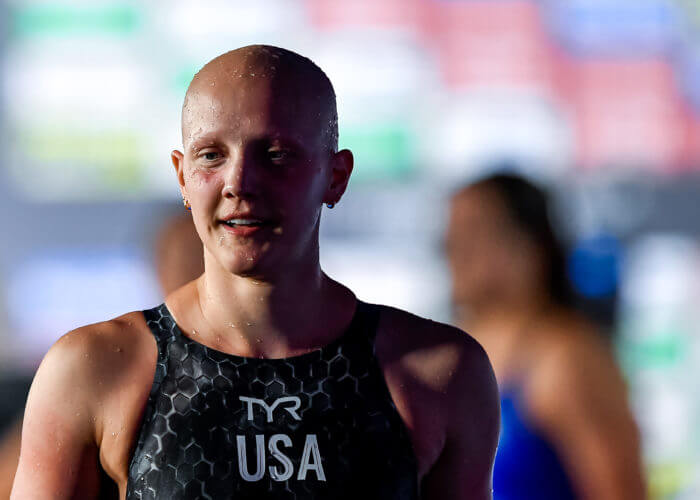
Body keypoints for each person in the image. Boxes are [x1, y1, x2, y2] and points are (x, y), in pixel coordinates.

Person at [11, 45, 499, 499]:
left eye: (277, 155)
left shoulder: (438, 374)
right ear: (182, 177)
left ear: (336, 177)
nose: (239, 182)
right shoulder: (95, 370)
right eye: (211, 155)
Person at [445, 173, 646, 500]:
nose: (454, 250)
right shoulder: (458, 350)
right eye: (451, 234)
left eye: (474, 232)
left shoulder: (567, 358)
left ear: (530, 246)